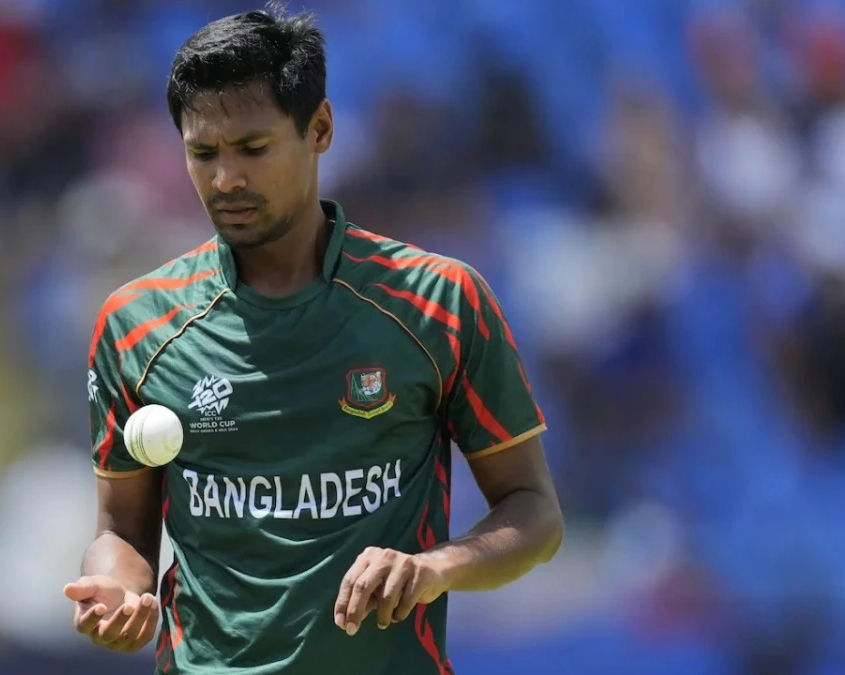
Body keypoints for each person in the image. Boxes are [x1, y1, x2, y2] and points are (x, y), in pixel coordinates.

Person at [63, 6, 564, 673]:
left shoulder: (438, 303)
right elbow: (122, 532)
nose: (225, 179)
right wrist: (116, 591)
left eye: (253, 149)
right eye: (203, 153)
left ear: (320, 128)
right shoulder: (136, 323)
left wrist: (434, 568)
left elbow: (533, 511)